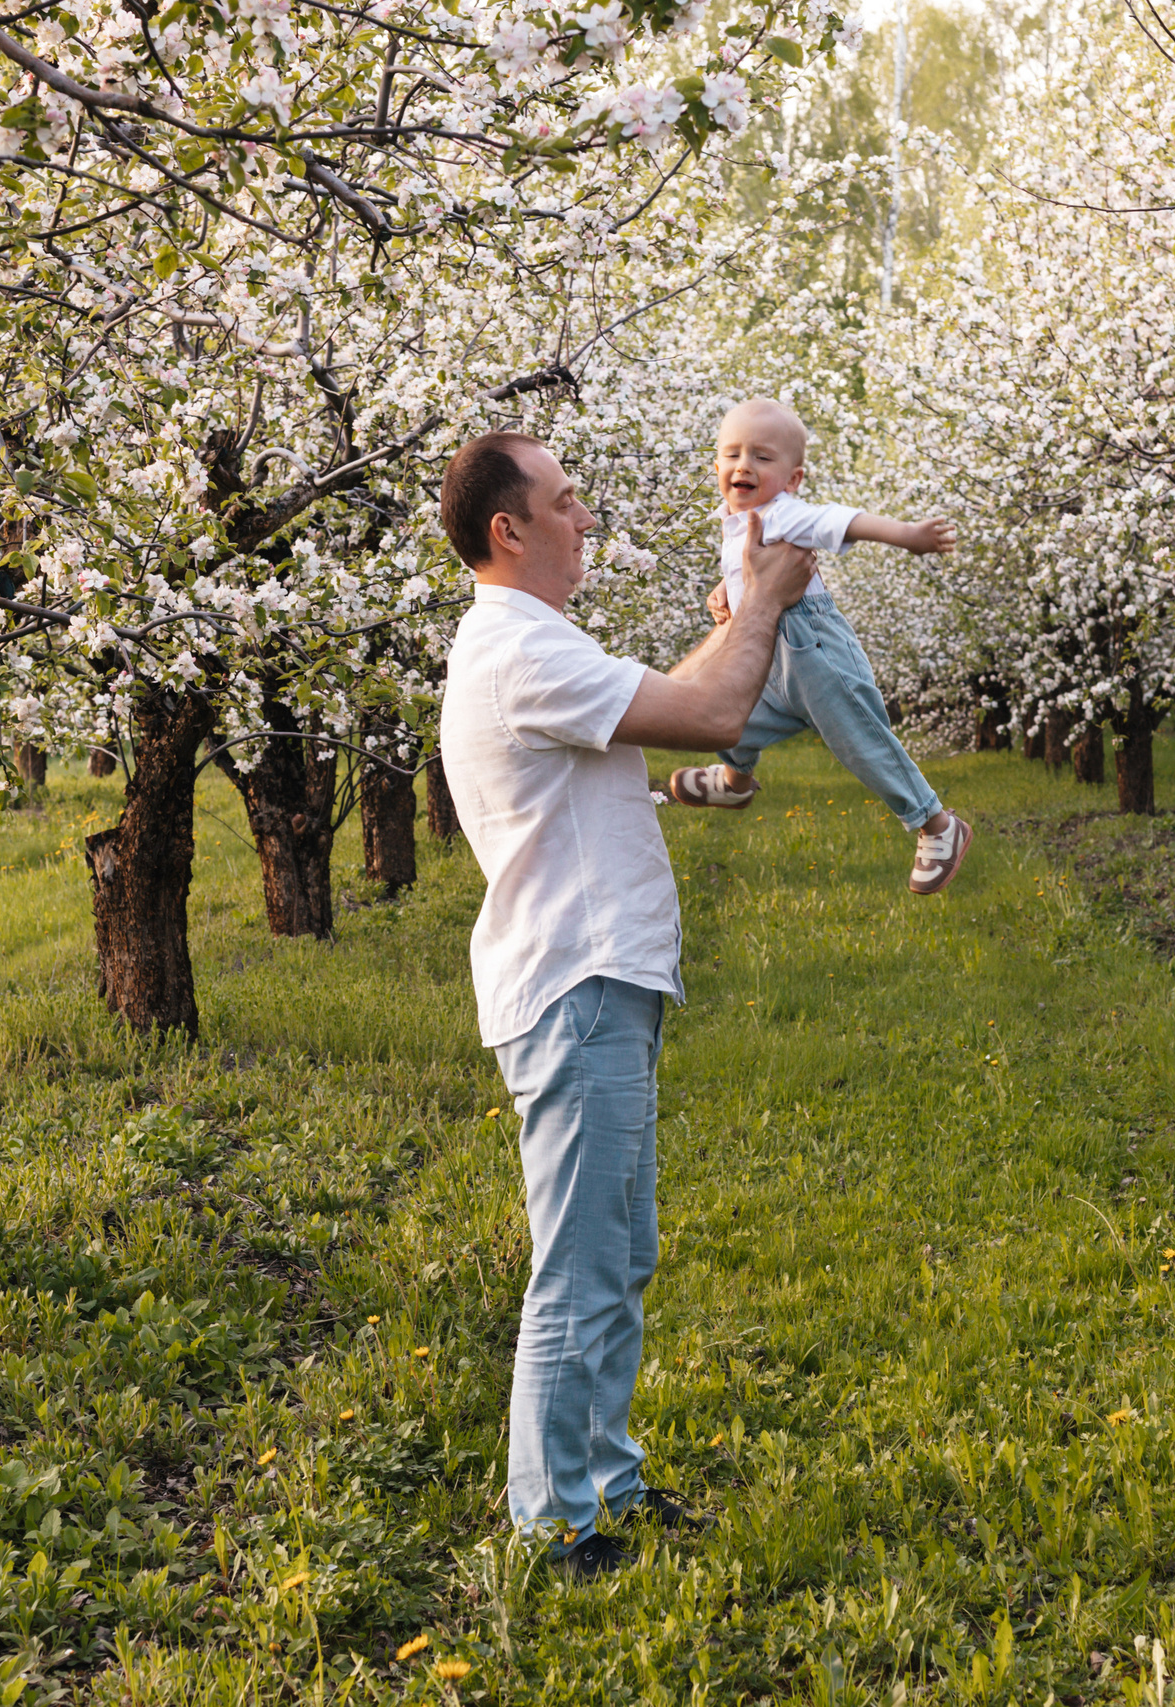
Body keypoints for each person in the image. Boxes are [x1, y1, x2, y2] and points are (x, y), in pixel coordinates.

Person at [436, 429, 819, 1580]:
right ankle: (558, 1524)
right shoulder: (516, 649)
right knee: (584, 1263)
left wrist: (735, 621)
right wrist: (765, 596)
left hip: (597, 980)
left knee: (619, 1249)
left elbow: (679, 702)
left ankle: (604, 1487)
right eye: (564, 502)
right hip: (576, 984)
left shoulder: (536, 642)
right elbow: (709, 715)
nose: (584, 517)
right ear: (510, 530)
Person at [665, 397, 973, 895]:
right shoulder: (733, 517)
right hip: (767, 651)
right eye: (732, 453)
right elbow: (746, 568)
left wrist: (907, 536)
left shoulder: (784, 514)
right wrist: (728, 591)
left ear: (792, 479)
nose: (744, 465)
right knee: (725, 707)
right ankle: (734, 781)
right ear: (716, 464)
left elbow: (841, 520)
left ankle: (936, 824)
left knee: (861, 741)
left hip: (814, 654)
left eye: (762, 458)